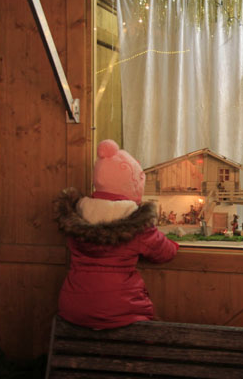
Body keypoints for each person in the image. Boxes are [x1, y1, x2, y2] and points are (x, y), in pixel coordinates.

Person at [54, 139, 179, 329]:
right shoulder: (136, 222)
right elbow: (165, 252)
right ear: (132, 184)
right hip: (122, 310)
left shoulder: (76, 215)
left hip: (74, 308)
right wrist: (174, 243)